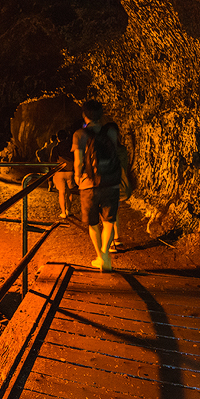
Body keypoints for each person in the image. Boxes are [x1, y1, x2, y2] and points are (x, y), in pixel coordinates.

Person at [72, 100, 122, 271]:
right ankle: (106, 254)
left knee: (93, 223)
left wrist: (78, 178)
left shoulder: (80, 134)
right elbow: (116, 156)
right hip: (111, 183)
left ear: (84, 115)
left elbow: (78, 161)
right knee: (109, 221)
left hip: (89, 184)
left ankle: (101, 258)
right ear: (102, 114)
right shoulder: (112, 132)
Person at [50, 125, 79, 218]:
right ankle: (69, 210)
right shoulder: (71, 147)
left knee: (61, 192)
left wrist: (51, 174)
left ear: (57, 138)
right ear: (66, 137)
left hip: (59, 172)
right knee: (69, 192)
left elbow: (52, 161)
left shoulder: (55, 148)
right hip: (70, 171)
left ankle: (63, 212)